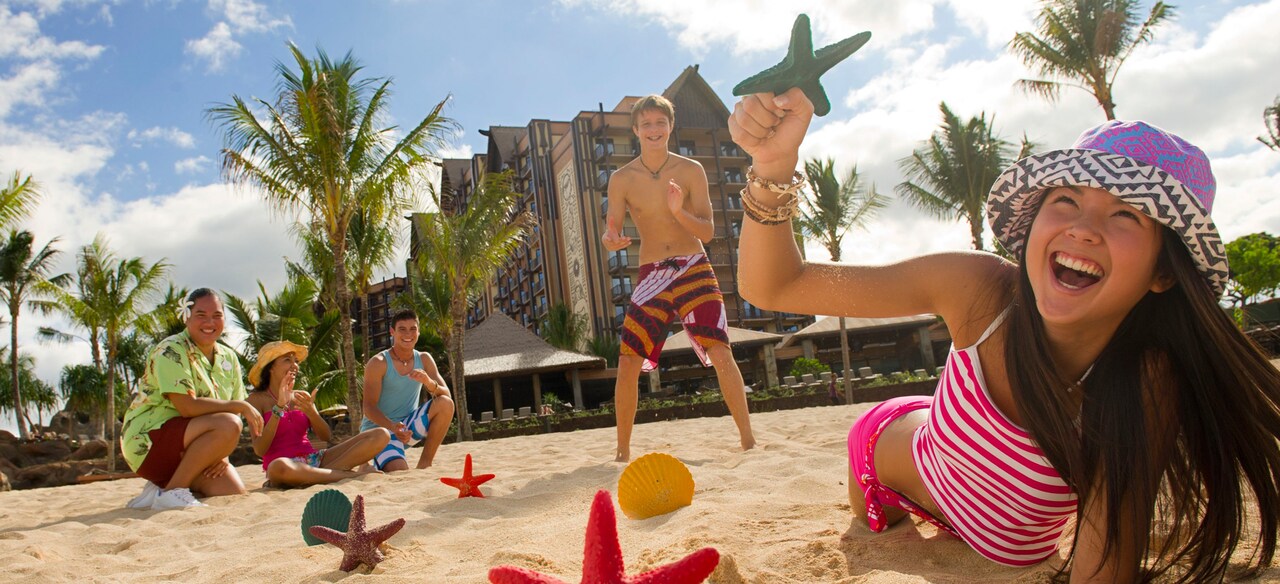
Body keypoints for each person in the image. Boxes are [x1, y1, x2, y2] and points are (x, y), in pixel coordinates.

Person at [729, 88, 1280, 581]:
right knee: (883, 499)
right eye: (1067, 200)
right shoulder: (978, 290)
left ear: (1164, 272)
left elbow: (1103, 561)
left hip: (976, 486)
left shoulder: (1147, 378)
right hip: (891, 460)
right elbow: (775, 285)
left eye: (1126, 215)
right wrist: (773, 166)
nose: (1082, 228)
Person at [601, 94, 756, 462]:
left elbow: (707, 231)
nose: (654, 129)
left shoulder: (691, 170)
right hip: (652, 274)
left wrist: (678, 211)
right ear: (636, 129)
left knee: (720, 349)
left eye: (661, 122)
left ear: (670, 126)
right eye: (646, 124)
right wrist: (611, 240)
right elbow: (611, 230)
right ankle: (622, 451)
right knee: (628, 359)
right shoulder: (622, 179)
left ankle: (748, 440)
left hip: (693, 267)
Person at [120, 288, 264, 510]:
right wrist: (240, 406)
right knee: (230, 423)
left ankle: (160, 488)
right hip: (149, 441)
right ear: (186, 317)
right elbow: (187, 407)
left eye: (217, 315)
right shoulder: (171, 349)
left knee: (230, 490)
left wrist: (221, 455)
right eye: (201, 315)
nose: (209, 322)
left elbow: (230, 414)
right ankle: (173, 491)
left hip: (193, 443)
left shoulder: (229, 357)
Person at [245, 341, 389, 487]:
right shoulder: (255, 400)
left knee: (381, 434)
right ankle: (350, 475)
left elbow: (326, 436)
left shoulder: (301, 396)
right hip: (285, 466)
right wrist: (279, 408)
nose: (295, 365)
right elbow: (260, 449)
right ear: (270, 367)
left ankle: (318, 476)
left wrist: (311, 412)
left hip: (315, 459)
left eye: (296, 361)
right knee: (278, 467)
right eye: (287, 360)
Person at [361, 309, 454, 470]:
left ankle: (425, 464)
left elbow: (447, 396)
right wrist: (392, 426)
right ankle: (368, 462)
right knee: (399, 471)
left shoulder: (424, 359)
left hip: (407, 429)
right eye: (402, 329)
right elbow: (368, 408)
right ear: (392, 332)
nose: (408, 334)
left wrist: (428, 382)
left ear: (418, 332)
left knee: (445, 403)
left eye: (413, 329)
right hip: (380, 432)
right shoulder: (378, 363)